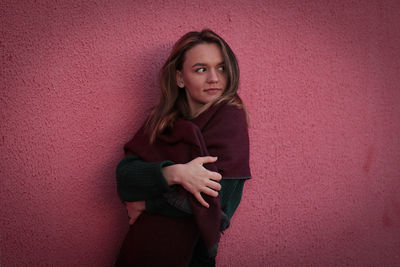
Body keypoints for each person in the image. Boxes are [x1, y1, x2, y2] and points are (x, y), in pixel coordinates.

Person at [115, 29, 251, 267]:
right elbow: (124, 176)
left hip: (189, 257)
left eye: (221, 68)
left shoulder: (230, 121)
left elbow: (214, 204)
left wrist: (148, 204)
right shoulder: (162, 122)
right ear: (180, 78)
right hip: (139, 251)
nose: (214, 78)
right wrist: (174, 173)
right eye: (201, 69)